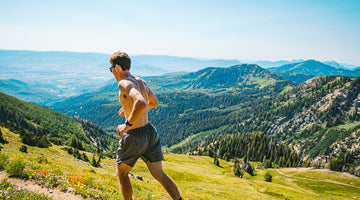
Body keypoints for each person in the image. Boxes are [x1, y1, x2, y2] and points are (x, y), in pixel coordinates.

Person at [109, 51, 182, 200]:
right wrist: (130, 108)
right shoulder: (140, 81)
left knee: (122, 173)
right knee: (159, 174)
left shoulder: (124, 83)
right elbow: (153, 102)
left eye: (111, 69)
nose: (111, 72)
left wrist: (127, 125)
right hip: (150, 132)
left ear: (117, 67)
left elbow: (141, 103)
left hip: (135, 135)